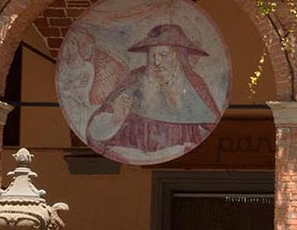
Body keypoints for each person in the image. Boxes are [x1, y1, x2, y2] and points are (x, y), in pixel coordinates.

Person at [87, 22, 223, 161]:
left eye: (163, 55)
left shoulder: (194, 83)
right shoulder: (134, 78)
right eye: (152, 56)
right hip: (133, 155)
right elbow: (94, 130)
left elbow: (214, 128)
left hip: (179, 159)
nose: (157, 61)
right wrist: (115, 119)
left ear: (177, 57)